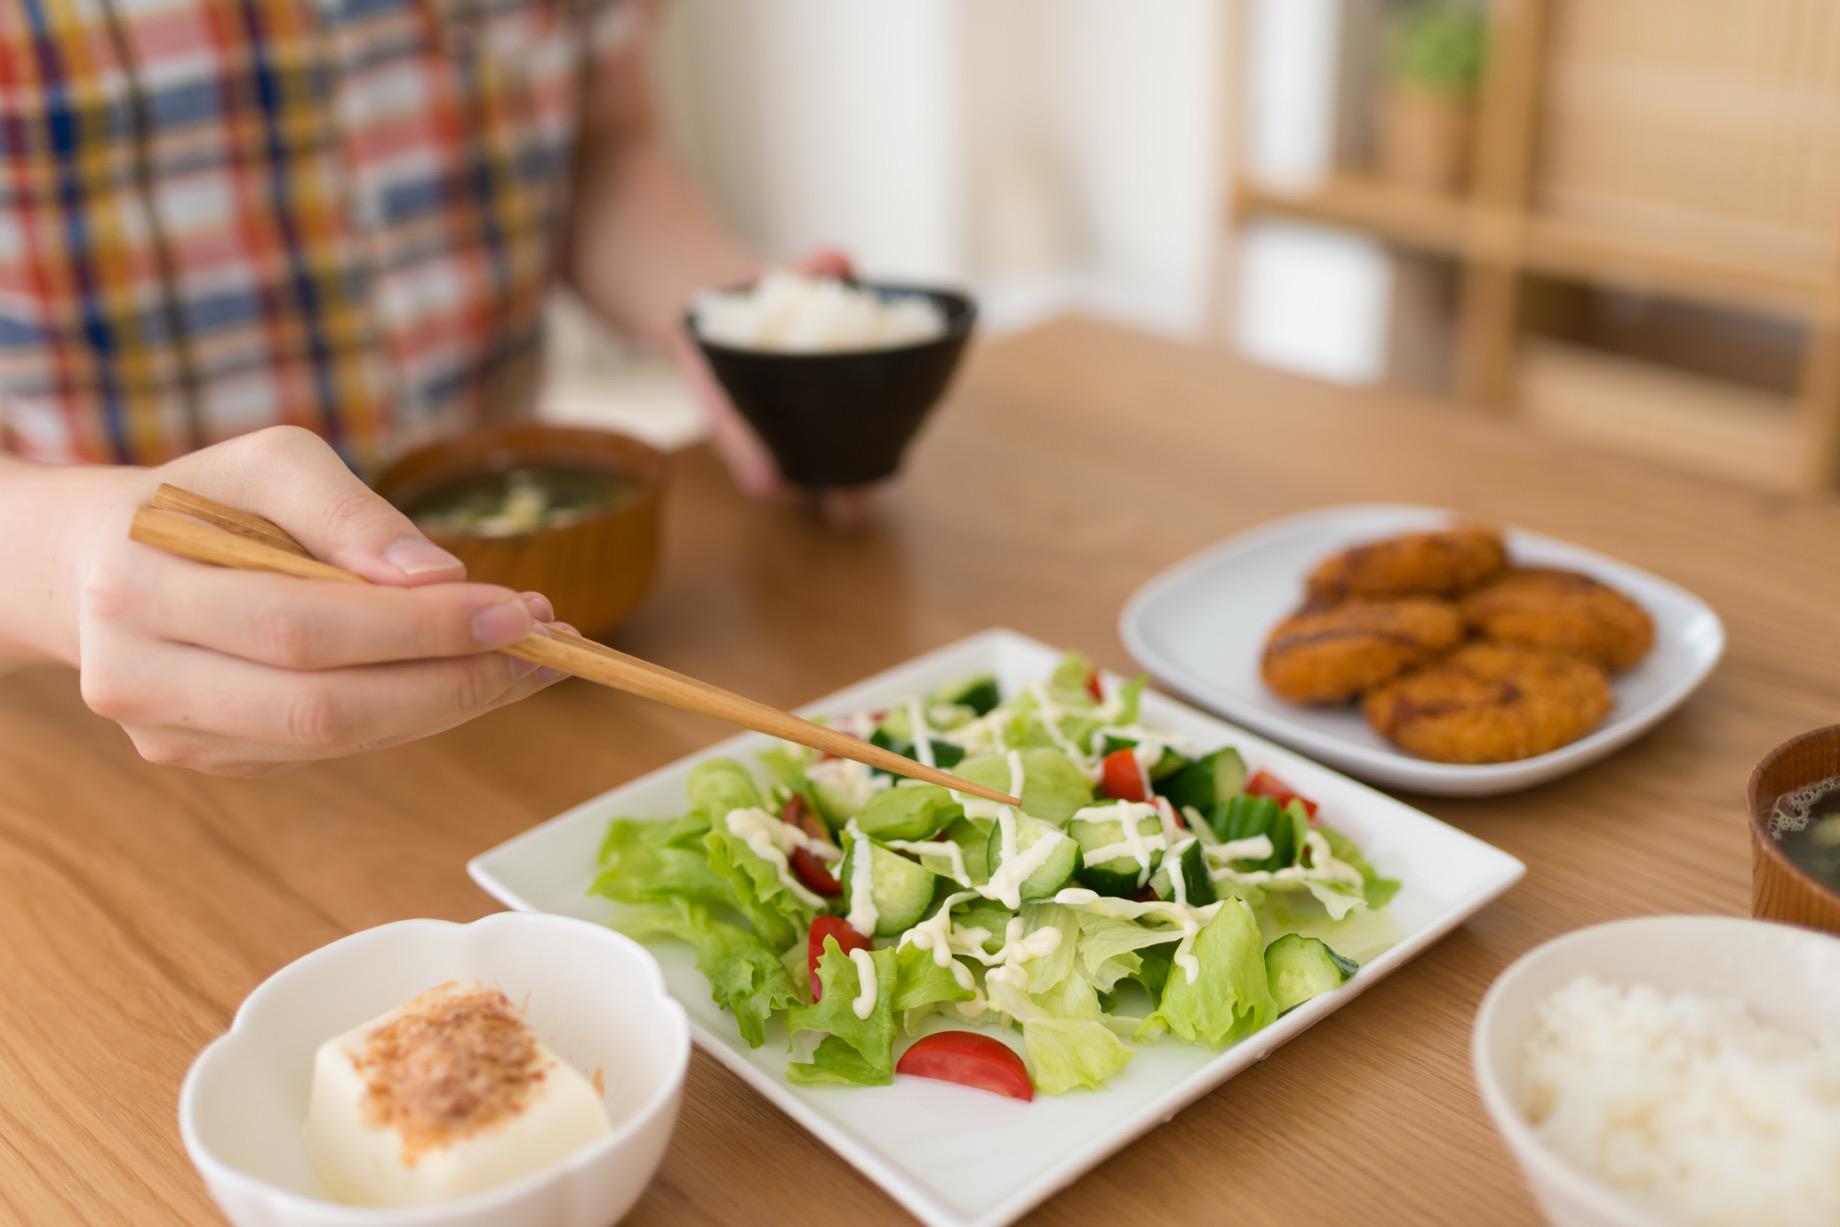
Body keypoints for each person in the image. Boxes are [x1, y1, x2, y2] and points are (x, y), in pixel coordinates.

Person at [0, 0, 841, 774]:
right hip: (97, 729)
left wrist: (747, 324)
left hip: (520, 665)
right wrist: (69, 562)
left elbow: (605, 148)